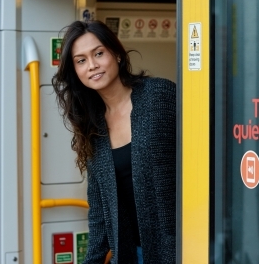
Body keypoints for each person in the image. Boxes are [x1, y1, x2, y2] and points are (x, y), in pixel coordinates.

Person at [52, 20, 176, 263]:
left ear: (117, 54)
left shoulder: (159, 97)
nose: (92, 65)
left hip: (182, 246)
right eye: (81, 60)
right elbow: (99, 210)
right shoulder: (92, 125)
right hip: (134, 253)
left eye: (98, 53)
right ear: (75, 72)